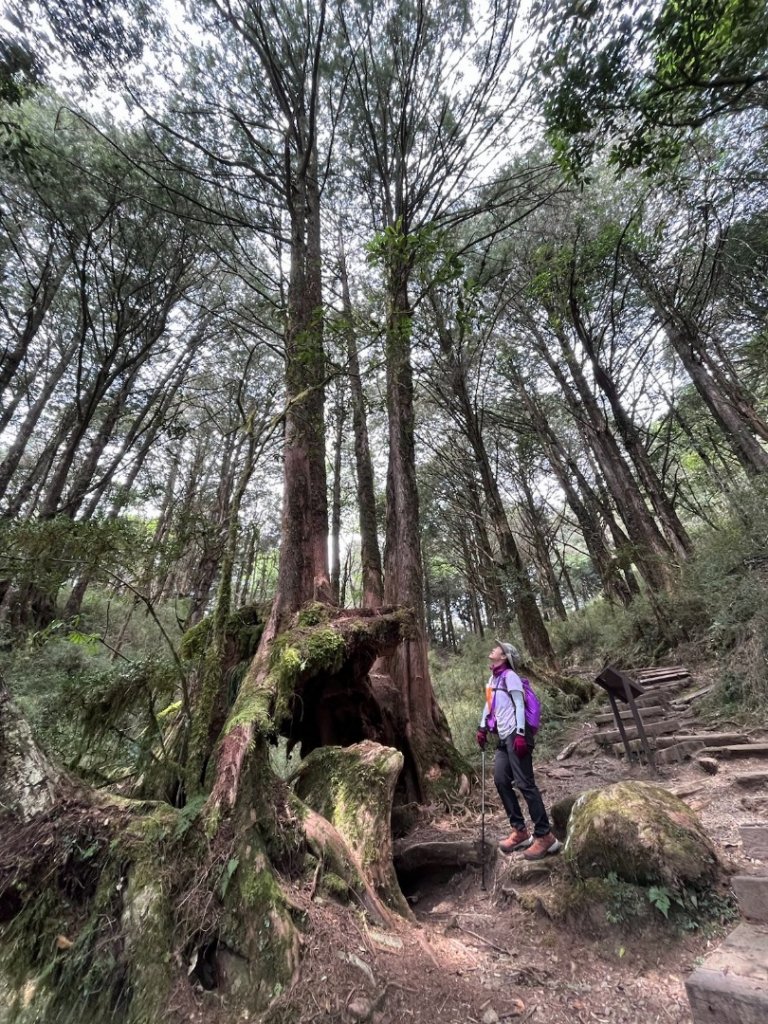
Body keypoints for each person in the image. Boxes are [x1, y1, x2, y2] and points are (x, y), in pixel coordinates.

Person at [476, 640, 561, 860]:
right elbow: (489, 705)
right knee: (501, 780)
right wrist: (482, 727)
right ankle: (520, 832)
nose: (493, 649)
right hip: (504, 739)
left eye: (497, 648)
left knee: (525, 783)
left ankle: (545, 836)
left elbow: (519, 704)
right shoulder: (493, 679)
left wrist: (521, 734)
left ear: (504, 656)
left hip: (517, 735)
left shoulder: (510, 676)